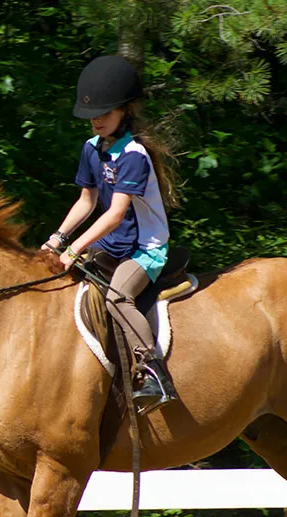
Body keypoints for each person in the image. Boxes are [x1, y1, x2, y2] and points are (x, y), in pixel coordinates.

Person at [41, 54, 181, 412]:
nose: (96, 120)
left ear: (125, 111)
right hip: (111, 242)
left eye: (105, 112)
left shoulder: (134, 155)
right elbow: (86, 202)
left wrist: (74, 248)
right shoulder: (91, 149)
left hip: (143, 249)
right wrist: (57, 238)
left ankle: (153, 372)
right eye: (92, 115)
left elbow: (117, 214)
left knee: (117, 297)